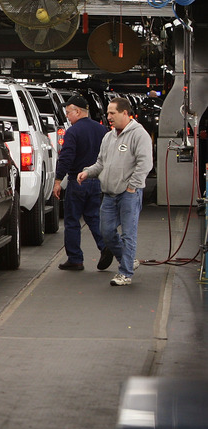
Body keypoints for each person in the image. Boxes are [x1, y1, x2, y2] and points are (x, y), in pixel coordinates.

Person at [77, 97, 153, 286]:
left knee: (128, 234)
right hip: (109, 194)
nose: (108, 116)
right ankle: (128, 260)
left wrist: (132, 186)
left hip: (129, 193)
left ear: (125, 113)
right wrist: (87, 172)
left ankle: (125, 272)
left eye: (112, 113)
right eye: (108, 113)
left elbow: (145, 164)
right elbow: (101, 163)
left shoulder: (139, 134)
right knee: (106, 232)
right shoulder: (109, 137)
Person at [53, 95, 112, 271]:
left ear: (78, 111)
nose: (67, 117)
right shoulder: (102, 130)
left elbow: (67, 157)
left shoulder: (73, 131)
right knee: (93, 216)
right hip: (96, 180)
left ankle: (75, 259)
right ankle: (105, 246)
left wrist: (58, 180)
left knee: (72, 220)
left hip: (77, 181)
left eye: (68, 113)